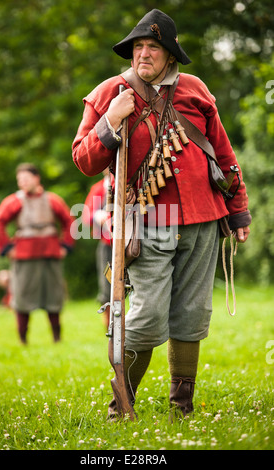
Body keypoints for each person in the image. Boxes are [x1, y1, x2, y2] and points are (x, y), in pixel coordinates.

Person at [72, 9, 251, 418]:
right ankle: (122, 404)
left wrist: (238, 211)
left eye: (153, 47)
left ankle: (181, 407)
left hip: (205, 218)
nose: (144, 54)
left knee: (192, 314)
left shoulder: (195, 90)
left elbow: (223, 155)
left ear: (170, 55)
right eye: (138, 47)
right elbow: (83, 160)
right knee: (149, 316)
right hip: (147, 221)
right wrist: (110, 122)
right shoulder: (109, 93)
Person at [0, 163, 74, 344]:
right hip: (24, 256)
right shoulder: (15, 201)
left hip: (51, 254)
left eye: (26, 179)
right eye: (20, 180)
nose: (23, 183)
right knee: (22, 297)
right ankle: (23, 340)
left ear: (37, 178)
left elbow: (69, 221)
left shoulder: (52, 200)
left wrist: (66, 246)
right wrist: (6, 248)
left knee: (53, 296)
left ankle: (57, 338)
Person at [82, 169, 113, 329]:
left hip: (133, 243)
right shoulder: (98, 188)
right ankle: (109, 325)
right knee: (107, 285)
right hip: (107, 244)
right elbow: (86, 216)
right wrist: (97, 216)